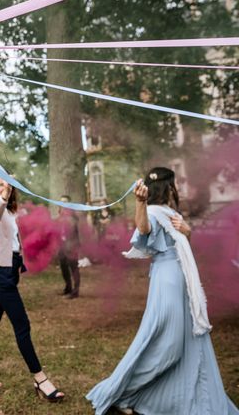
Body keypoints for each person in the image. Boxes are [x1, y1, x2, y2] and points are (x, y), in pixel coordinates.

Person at [86, 167, 239, 415]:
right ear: (168, 187)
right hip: (167, 280)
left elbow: (180, 243)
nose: (175, 189)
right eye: (173, 184)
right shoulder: (154, 212)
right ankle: (121, 393)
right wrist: (139, 203)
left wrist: (188, 232)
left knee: (189, 341)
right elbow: (144, 229)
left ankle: (183, 397)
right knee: (169, 344)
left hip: (181, 281)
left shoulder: (171, 212)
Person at [0, 174, 65, 403]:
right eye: (0, 184)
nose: (5, 187)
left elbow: (13, 243)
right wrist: (3, 197)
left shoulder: (11, 212)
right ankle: (40, 378)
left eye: (8, 184)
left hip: (9, 269)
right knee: (21, 323)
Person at [58, 195, 81, 299]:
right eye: (61, 202)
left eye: (65, 202)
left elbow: (73, 230)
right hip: (62, 245)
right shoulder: (60, 215)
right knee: (63, 268)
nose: (63, 204)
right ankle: (68, 287)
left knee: (74, 268)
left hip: (72, 245)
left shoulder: (73, 216)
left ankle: (75, 291)